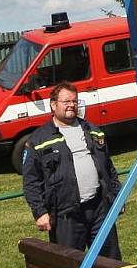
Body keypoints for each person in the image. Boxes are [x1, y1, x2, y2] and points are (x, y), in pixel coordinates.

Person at [22, 82, 122, 259]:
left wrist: (116, 197)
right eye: (66, 101)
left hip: (99, 209)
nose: (71, 105)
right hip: (65, 216)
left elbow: (108, 167)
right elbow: (31, 181)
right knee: (68, 266)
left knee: (110, 262)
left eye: (75, 101)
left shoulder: (92, 131)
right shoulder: (39, 139)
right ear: (53, 105)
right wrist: (40, 212)